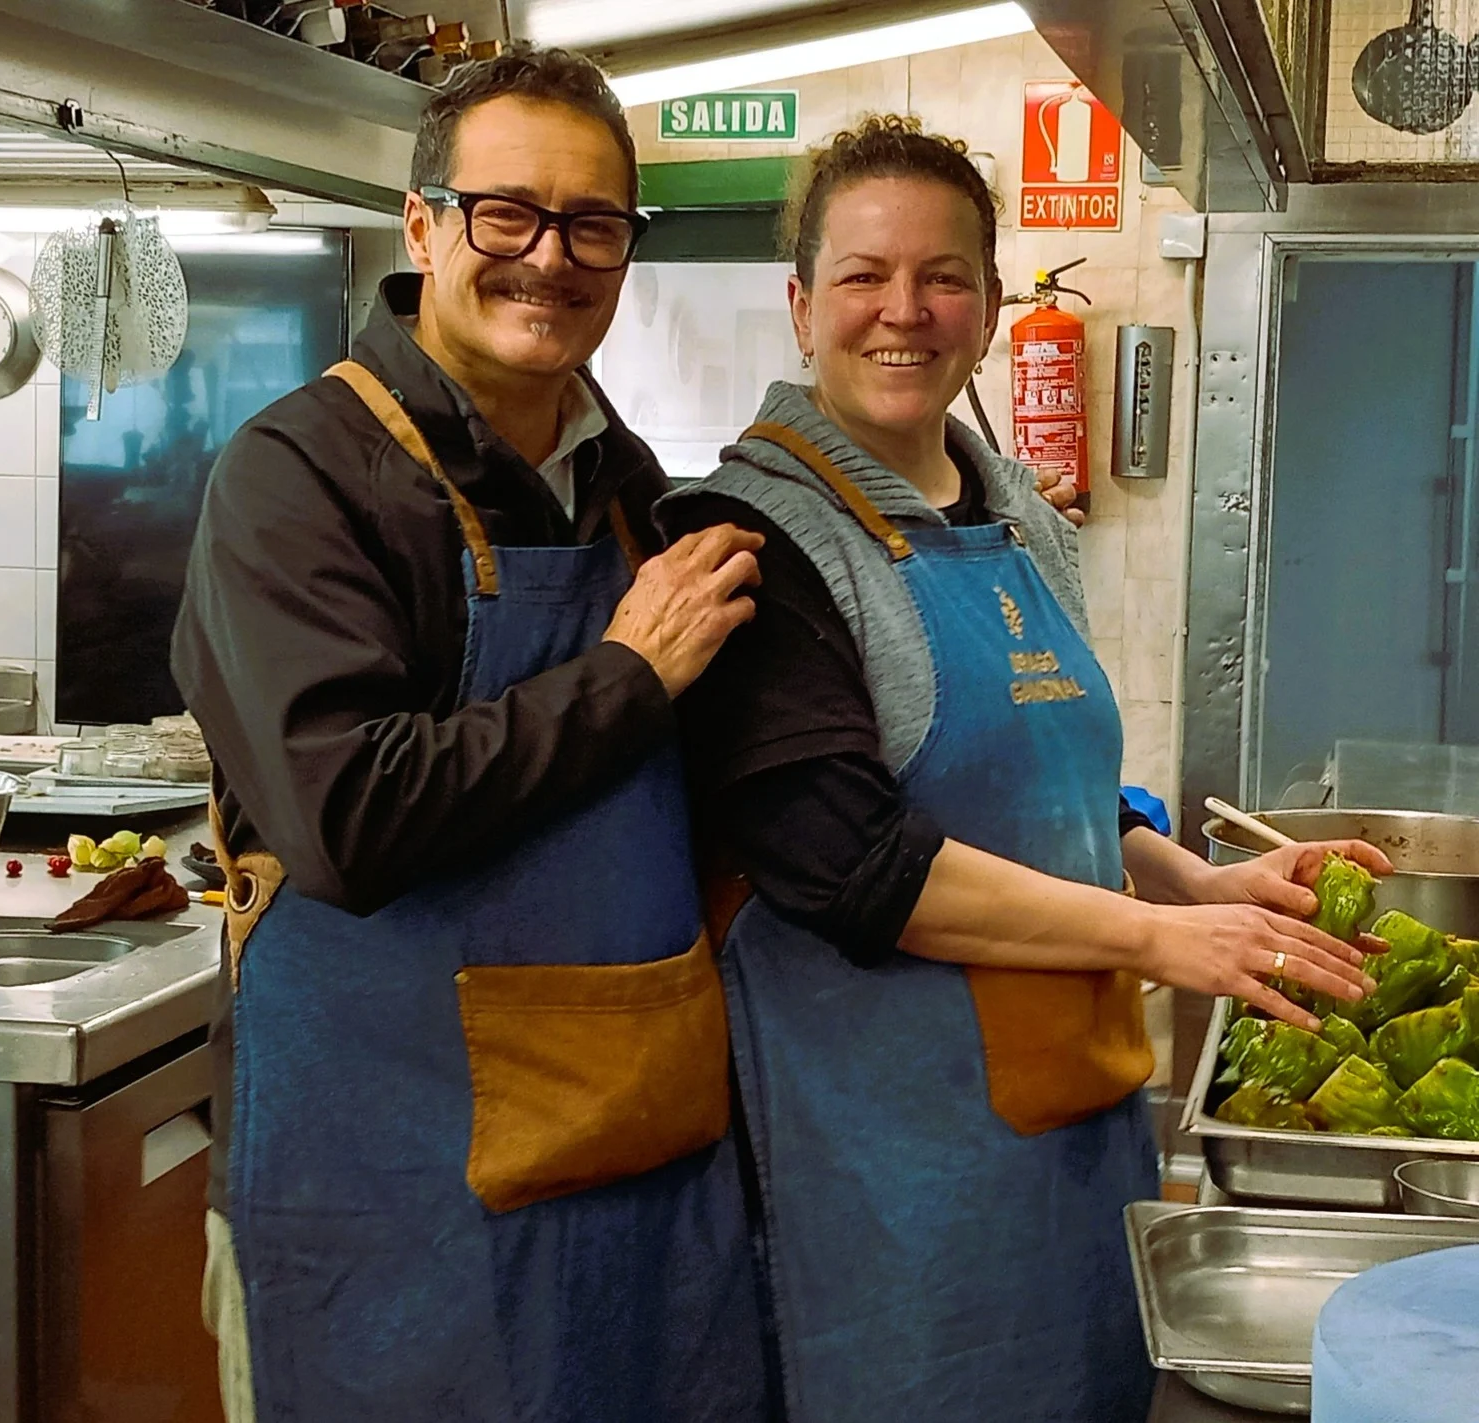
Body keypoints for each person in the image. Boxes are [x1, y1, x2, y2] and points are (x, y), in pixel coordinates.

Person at [658, 115, 1383, 1423]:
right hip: (892, 1179)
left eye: (942, 277)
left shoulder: (1019, 518)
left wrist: (1208, 885)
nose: (905, 311)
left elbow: (1050, 799)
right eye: (865, 276)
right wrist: (1164, 943)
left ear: (989, 308)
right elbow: (852, 867)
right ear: (801, 303)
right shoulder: (756, 540)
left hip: (1075, 1149)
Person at [171, 45, 771, 1423]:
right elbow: (348, 819)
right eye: (508, 213)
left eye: (594, 226)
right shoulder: (298, 476)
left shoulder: (630, 492)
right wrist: (625, 676)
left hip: (627, 1171)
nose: (548, 258)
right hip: (380, 1193)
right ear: (426, 225)